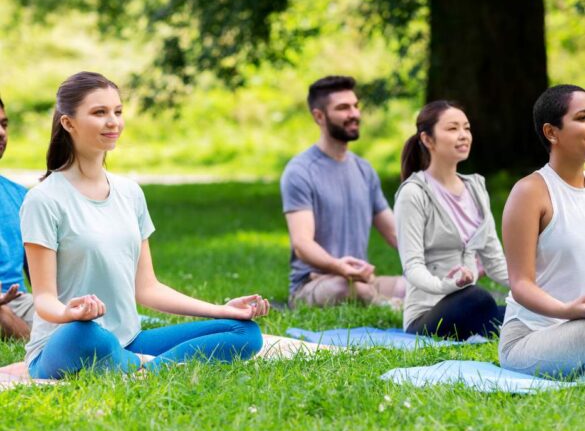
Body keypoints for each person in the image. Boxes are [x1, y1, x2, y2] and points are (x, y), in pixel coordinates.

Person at [21, 71, 269, 380]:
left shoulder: (130, 193)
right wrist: (70, 313)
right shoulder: (44, 199)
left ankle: (143, 367)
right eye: (100, 113)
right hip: (66, 342)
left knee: (243, 331)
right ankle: (136, 364)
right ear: (68, 123)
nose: (113, 122)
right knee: (88, 335)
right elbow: (44, 298)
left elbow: (147, 288)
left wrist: (222, 309)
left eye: (118, 111)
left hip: (129, 339)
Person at [280, 75, 406, 308]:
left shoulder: (364, 169)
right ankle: (390, 306)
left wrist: (434, 263)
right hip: (315, 283)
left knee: (413, 286)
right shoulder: (300, 171)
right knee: (342, 286)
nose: (354, 114)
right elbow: (302, 244)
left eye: (356, 106)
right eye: (343, 108)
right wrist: (339, 267)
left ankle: (391, 301)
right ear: (319, 116)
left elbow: (395, 233)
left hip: (362, 280)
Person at [394, 100, 508, 339]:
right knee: (479, 298)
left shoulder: (476, 187)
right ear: (427, 139)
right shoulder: (413, 193)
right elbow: (412, 267)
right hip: (427, 315)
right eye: (452, 128)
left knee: (530, 312)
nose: (463, 135)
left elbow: (495, 262)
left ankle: (493, 326)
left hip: (469, 306)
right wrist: (446, 286)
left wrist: (538, 290)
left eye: (466, 128)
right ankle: (491, 327)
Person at [499, 84, 585, 378]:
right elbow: (520, 284)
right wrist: (567, 310)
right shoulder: (530, 192)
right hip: (530, 337)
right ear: (552, 132)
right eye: (583, 117)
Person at [0, 96, 35, 340]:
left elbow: (42, 279)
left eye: (4, 124)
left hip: (18, 301)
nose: (1, 132)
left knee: (80, 320)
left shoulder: (21, 196)